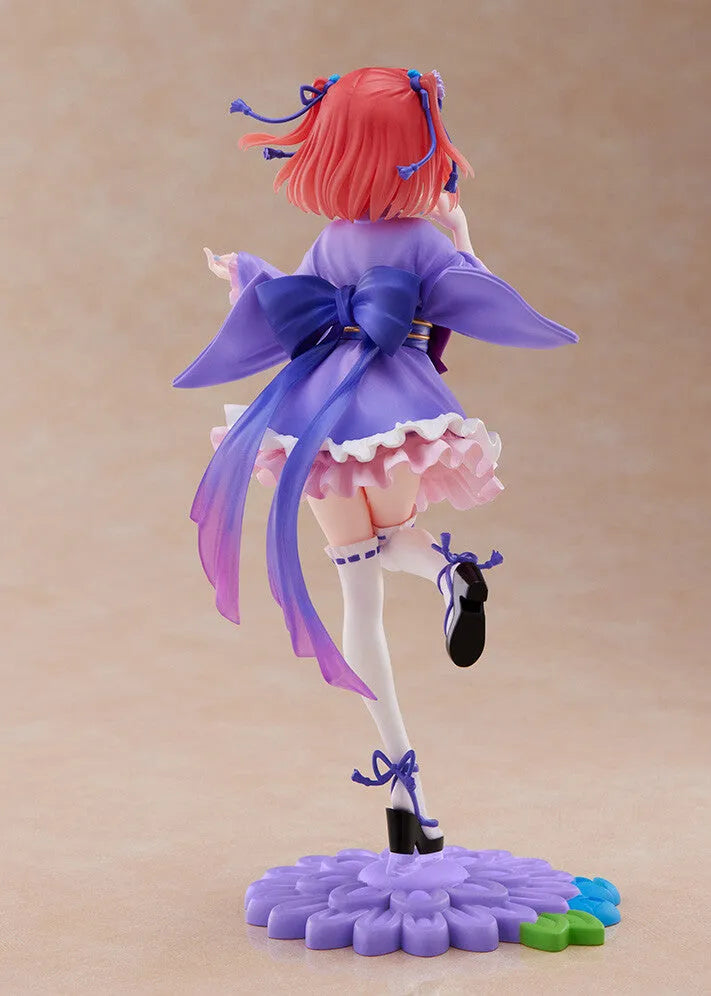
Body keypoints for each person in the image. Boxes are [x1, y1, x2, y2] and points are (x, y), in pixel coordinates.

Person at [174, 67, 577, 854]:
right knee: (387, 542)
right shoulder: (421, 241)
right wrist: (461, 236)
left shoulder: (332, 239)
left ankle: (403, 788)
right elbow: (473, 292)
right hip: (394, 410)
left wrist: (243, 274)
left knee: (356, 583)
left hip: (313, 413)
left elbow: (289, 300)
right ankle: (446, 577)